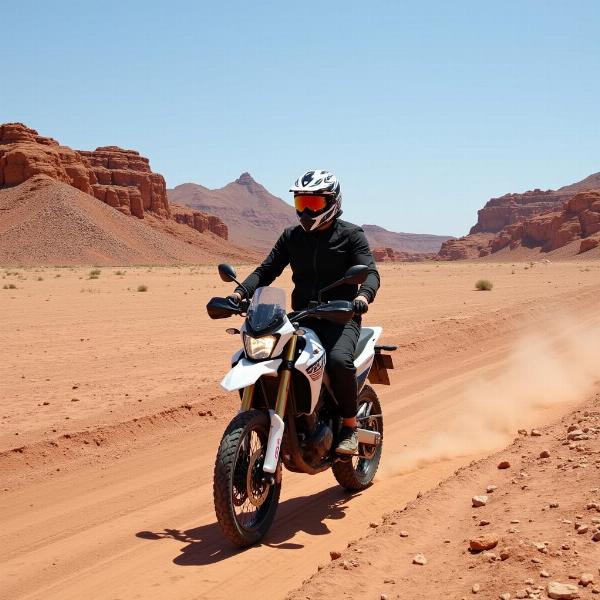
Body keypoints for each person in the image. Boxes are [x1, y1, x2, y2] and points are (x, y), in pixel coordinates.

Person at [228, 170, 380, 454]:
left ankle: (348, 426)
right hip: (301, 318)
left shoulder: (350, 235)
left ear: (332, 201)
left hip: (340, 317)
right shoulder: (292, 237)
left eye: (314, 203)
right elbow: (267, 270)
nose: (307, 211)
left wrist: (362, 296)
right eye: (301, 204)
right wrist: (240, 293)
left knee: (337, 361)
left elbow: (370, 273)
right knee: (262, 355)